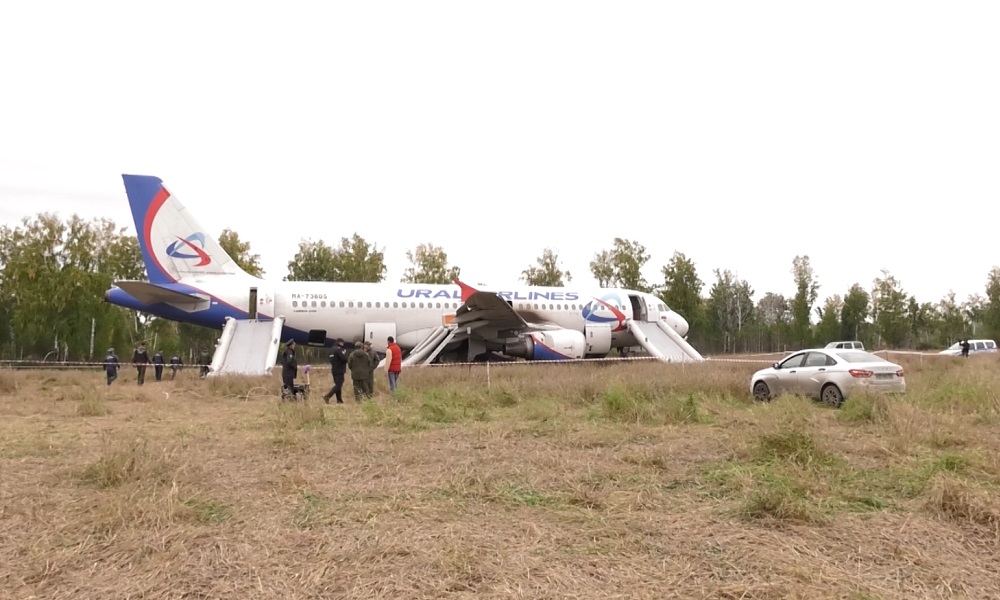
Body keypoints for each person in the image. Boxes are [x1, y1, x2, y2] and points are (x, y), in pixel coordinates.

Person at [322, 338, 348, 404]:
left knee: (337, 384)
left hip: (334, 369)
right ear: (340, 342)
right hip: (340, 369)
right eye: (342, 343)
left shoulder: (331, 349)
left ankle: (339, 400)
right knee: (339, 385)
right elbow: (344, 359)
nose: (343, 344)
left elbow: (330, 359)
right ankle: (327, 396)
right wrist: (345, 355)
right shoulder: (339, 349)